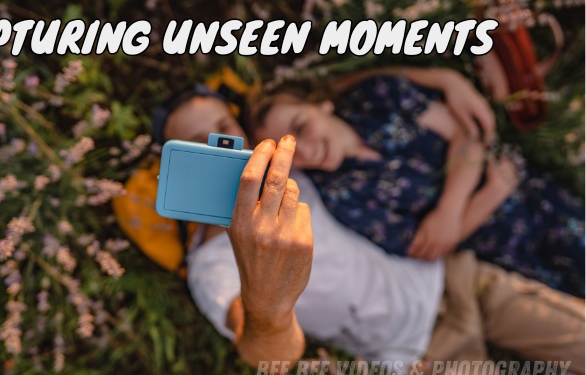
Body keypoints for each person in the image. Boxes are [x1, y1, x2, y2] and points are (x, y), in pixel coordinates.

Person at [153, 82, 585, 375]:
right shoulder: (211, 267)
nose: (217, 147)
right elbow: (268, 354)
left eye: (223, 129)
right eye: (194, 145)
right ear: (174, 168)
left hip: (457, 279)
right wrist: (268, 305)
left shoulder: (294, 169)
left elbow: (329, 98)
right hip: (422, 355)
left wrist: (441, 76)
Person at [251, 68, 585, 297]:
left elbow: (466, 134)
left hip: (536, 200)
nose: (306, 150)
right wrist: (491, 194)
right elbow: (425, 245)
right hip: (502, 255)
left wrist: (449, 209)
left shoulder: (376, 97)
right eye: (289, 152)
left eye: (302, 127)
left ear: (321, 105)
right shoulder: (338, 194)